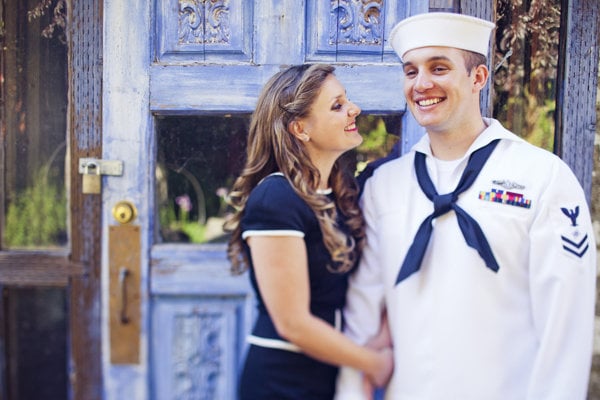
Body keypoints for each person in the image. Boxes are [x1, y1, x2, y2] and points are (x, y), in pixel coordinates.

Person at [335, 12, 597, 400]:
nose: (422, 84)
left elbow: (565, 326)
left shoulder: (543, 177)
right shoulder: (383, 188)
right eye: (411, 71)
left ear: (478, 78)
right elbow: (361, 319)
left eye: (438, 68)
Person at [225, 64, 393, 399]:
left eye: (347, 100)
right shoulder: (275, 199)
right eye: (337, 105)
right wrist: (374, 363)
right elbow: (293, 324)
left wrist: (382, 335)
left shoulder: (344, 193)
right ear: (300, 128)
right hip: (283, 382)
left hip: (332, 375)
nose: (354, 109)